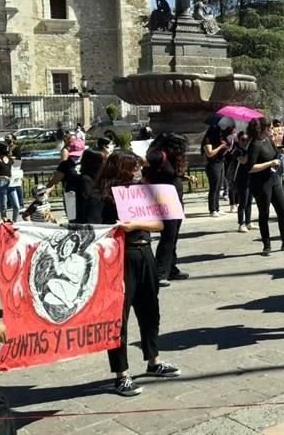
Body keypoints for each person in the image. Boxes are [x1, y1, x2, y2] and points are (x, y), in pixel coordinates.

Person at [97, 150, 180, 397]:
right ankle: (121, 374)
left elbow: (159, 224)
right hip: (120, 259)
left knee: (150, 310)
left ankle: (153, 360)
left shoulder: (139, 193)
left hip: (145, 254)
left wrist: (136, 225)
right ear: (121, 169)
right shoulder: (104, 197)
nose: (137, 172)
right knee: (118, 318)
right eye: (133, 167)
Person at [246, 118, 284, 255]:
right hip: (261, 183)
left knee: (282, 210)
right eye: (268, 127)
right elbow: (251, 167)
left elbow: (275, 153)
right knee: (264, 213)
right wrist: (270, 163)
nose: (271, 129)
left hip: (274, 179)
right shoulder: (255, 145)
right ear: (262, 129)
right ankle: (266, 244)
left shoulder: (267, 140)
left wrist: (279, 154)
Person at [145, 134, 189, 287]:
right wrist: (158, 141)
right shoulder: (159, 155)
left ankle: (171, 268)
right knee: (168, 237)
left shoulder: (171, 158)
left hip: (175, 201)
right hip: (165, 202)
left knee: (174, 236)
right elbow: (147, 161)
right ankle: (160, 272)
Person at [201, 125, 231, 218]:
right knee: (214, 187)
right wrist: (220, 146)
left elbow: (221, 152)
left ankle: (217, 208)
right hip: (213, 165)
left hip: (220, 162)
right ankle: (212, 209)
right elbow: (210, 154)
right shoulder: (207, 140)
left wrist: (226, 148)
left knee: (218, 187)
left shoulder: (217, 140)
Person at [73, 148, 105, 222]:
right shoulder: (85, 180)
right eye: (102, 161)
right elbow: (87, 201)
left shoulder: (100, 177)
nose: (104, 163)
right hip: (90, 220)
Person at [0, 141, 20, 223]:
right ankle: (5, 222)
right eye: (6, 147)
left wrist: (19, 175)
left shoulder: (9, 158)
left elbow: (17, 167)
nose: (7, 149)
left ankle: (14, 221)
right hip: (1, 183)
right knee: (3, 205)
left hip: (11, 183)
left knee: (16, 205)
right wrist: (2, 177)